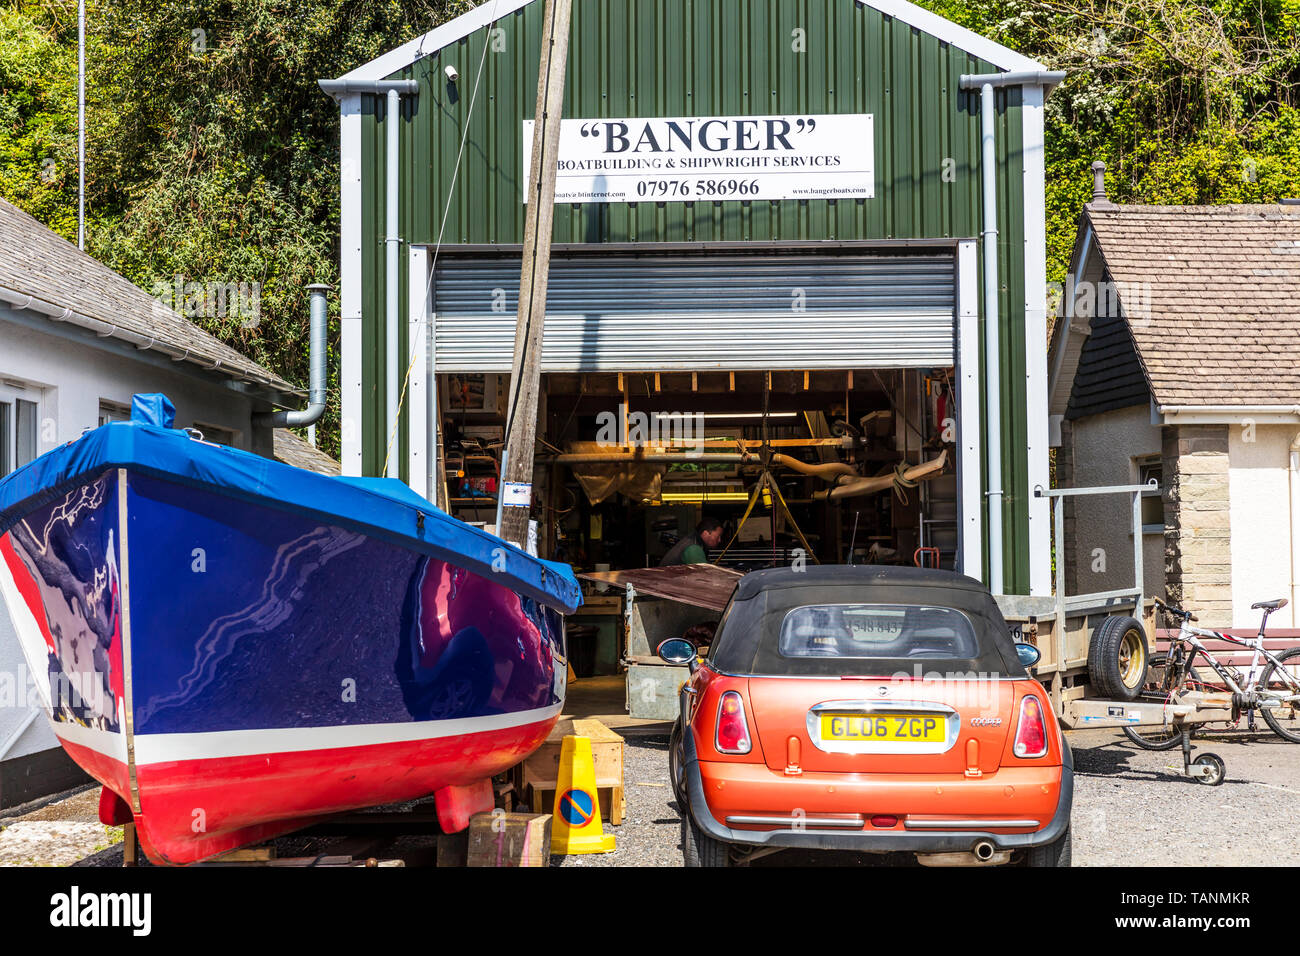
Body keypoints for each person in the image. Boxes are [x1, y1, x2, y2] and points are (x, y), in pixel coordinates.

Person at [660, 517, 724, 566]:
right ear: (705, 534)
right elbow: (704, 575)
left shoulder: (692, 540)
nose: (719, 540)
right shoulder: (693, 548)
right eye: (718, 536)